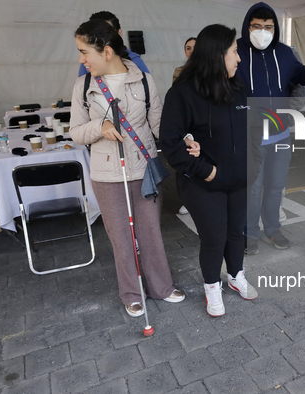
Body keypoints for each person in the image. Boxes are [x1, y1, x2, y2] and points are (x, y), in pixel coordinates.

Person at [70, 20, 185, 318]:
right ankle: (132, 293)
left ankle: (161, 287)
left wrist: (183, 138)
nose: (82, 59)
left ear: (106, 51)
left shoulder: (145, 80)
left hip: (144, 168)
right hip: (107, 175)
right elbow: (76, 132)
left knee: (150, 232)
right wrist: (100, 126)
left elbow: (158, 124)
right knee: (121, 236)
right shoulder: (83, 86)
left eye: (85, 52)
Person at [160, 24, 260, 317]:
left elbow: (254, 130)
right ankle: (212, 286)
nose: (238, 58)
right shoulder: (183, 93)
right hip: (204, 182)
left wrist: (254, 162)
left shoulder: (239, 87)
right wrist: (207, 172)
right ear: (216, 54)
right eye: (233, 51)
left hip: (240, 178)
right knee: (214, 237)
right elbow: (170, 142)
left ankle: (235, 275)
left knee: (236, 232)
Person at [236, 2, 305, 254]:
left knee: (276, 186)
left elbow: (301, 75)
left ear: (275, 29)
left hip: (279, 134)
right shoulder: (236, 51)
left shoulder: (285, 52)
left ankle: (272, 229)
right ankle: (249, 233)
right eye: (256, 26)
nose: (262, 32)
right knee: (252, 188)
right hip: (250, 136)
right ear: (247, 26)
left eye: (268, 27)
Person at [78, 11, 150, 77]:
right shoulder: (87, 63)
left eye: (108, 33)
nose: (102, 38)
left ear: (119, 33)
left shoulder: (135, 62)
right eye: (96, 34)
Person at [172, 37, 197, 216]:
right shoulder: (180, 71)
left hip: (203, 122)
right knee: (186, 161)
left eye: (194, 47)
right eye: (188, 48)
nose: (191, 51)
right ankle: (188, 200)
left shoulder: (212, 70)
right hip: (187, 122)